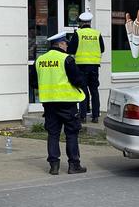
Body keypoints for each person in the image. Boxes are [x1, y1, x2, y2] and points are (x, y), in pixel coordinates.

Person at [31, 31, 87, 175]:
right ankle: (74, 165)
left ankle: (54, 166)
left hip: (49, 103)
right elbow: (78, 80)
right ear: (60, 44)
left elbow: (33, 82)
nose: (67, 46)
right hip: (67, 102)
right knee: (71, 133)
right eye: (66, 43)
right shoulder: (66, 59)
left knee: (53, 134)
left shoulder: (40, 60)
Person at [68, 12, 105, 123]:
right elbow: (102, 49)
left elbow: (71, 50)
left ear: (80, 22)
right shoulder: (97, 33)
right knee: (94, 91)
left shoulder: (78, 34)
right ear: (89, 22)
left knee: (83, 91)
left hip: (81, 66)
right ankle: (95, 116)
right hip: (94, 66)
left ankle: (83, 116)